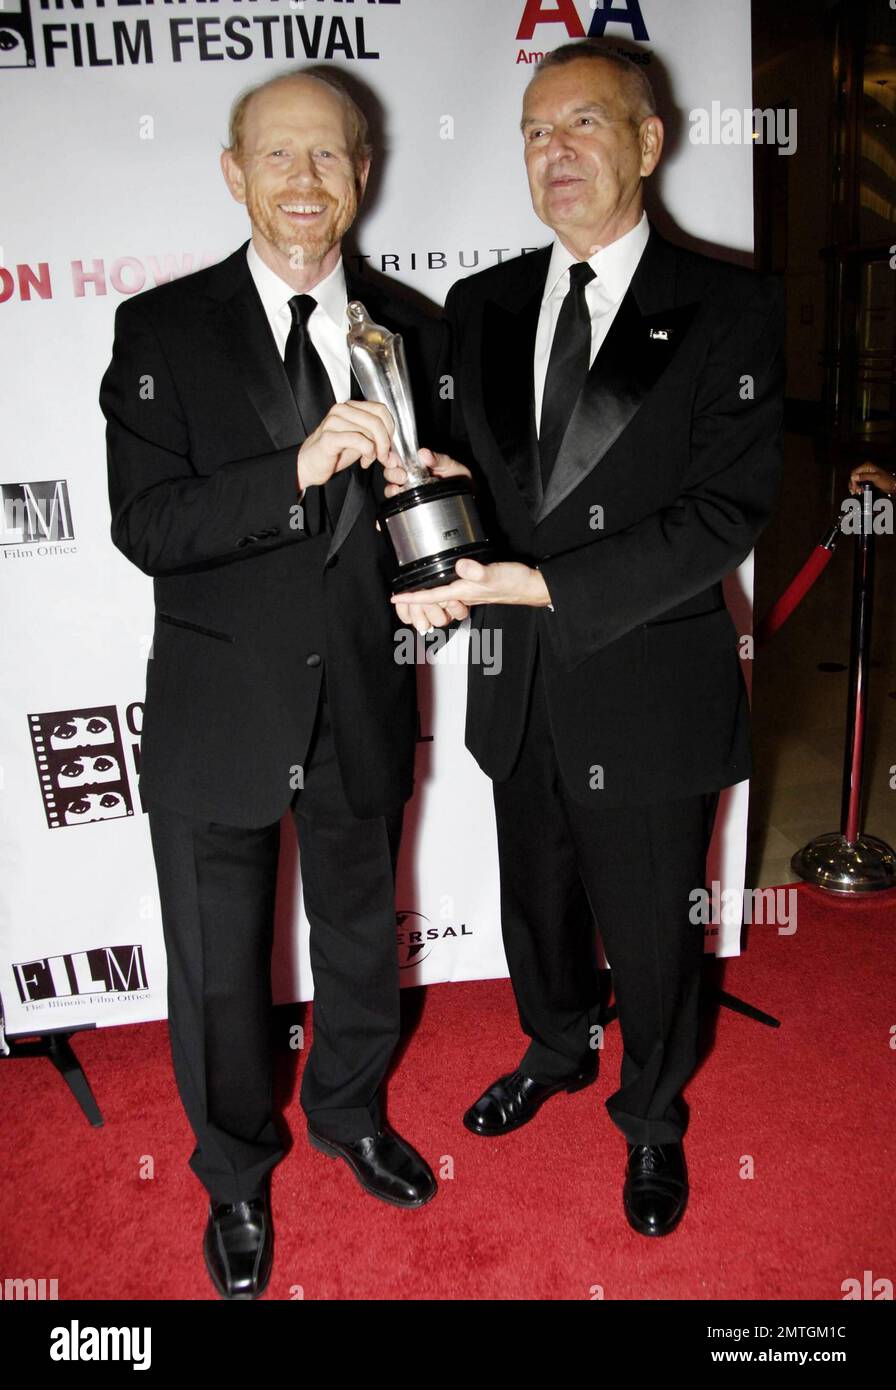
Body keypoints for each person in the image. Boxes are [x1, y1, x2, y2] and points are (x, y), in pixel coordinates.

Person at [390, 40, 785, 1237]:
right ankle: (555, 1043)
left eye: (582, 126)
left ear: (647, 143)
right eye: (531, 132)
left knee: (652, 921)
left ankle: (652, 1118)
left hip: (644, 677)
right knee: (536, 898)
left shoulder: (729, 306)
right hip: (514, 679)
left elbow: (726, 509)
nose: (552, 153)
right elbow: (476, 485)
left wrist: (549, 584)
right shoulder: (480, 305)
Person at [99, 67, 448, 1300]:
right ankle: (235, 1174)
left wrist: (450, 558)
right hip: (219, 706)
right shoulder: (163, 330)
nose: (306, 182)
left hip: (359, 693)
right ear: (236, 172)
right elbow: (146, 522)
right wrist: (295, 466)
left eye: (330, 157)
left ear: (362, 173)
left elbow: (436, 515)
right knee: (215, 964)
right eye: (278, 158)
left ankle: (350, 1112)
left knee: (359, 938)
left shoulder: (412, 324)